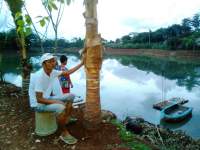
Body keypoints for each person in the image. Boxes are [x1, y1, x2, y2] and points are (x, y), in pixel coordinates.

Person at [29, 53, 84, 145]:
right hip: (38, 104)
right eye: (49, 62)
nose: (53, 63)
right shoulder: (39, 76)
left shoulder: (52, 72)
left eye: (53, 61)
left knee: (71, 96)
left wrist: (81, 64)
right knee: (60, 107)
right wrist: (56, 101)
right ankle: (63, 132)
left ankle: (66, 119)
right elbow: (39, 99)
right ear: (43, 64)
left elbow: (67, 72)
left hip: (46, 98)